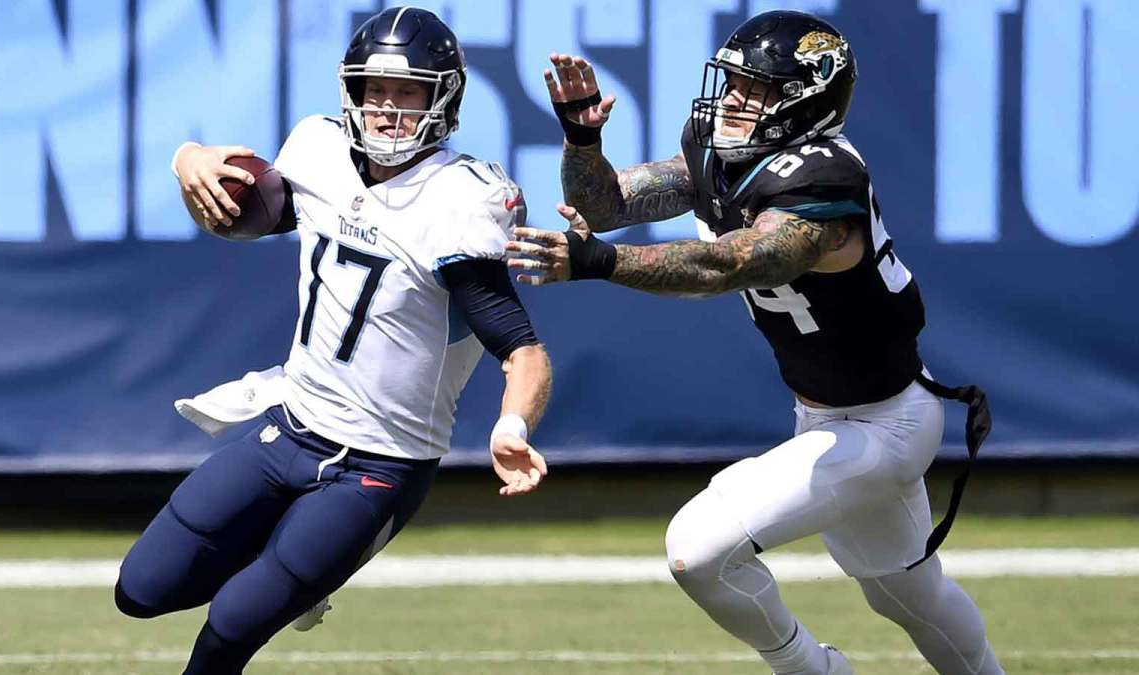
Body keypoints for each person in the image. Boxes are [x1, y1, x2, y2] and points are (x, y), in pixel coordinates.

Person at [509, 10, 1001, 675]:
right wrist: (580, 139)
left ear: (807, 102)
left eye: (756, 88)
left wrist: (600, 263)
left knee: (696, 547)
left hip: (886, 422)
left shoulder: (821, 179)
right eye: (734, 82)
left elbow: (733, 263)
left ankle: (815, 668)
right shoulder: (722, 149)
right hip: (828, 415)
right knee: (907, 593)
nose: (733, 100)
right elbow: (609, 206)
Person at [114, 8, 551, 673]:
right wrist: (189, 157)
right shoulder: (317, 148)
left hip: (382, 462)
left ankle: (292, 573)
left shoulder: (462, 202)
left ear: (444, 98)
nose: (387, 110)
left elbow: (523, 351)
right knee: (140, 589)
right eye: (375, 91)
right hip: (290, 424)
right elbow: (242, 211)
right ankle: (293, 569)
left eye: (407, 92)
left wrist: (513, 424)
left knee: (231, 623)